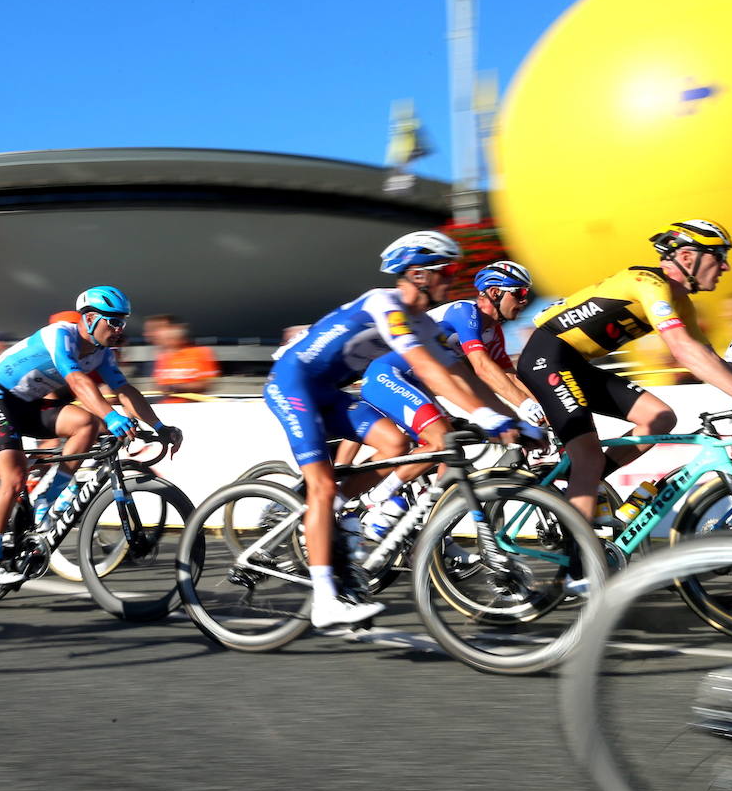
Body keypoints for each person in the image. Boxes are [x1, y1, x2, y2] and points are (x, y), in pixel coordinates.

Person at [263, 231, 519, 628]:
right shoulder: (386, 304)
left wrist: (510, 418)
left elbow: (454, 372)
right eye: (446, 270)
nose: (453, 278)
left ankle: (340, 514)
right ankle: (325, 600)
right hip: (291, 385)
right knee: (323, 486)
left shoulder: (419, 320)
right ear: (418, 274)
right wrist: (487, 416)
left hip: (329, 392)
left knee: (395, 443)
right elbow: (428, 369)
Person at [518, 219, 732, 523]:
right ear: (689, 257)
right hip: (547, 358)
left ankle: (587, 482)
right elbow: (683, 350)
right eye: (719, 256)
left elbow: (708, 360)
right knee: (587, 456)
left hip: (573, 364)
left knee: (659, 417)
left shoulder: (682, 304)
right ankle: (579, 563)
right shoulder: (648, 282)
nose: (726, 267)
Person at [0, 286, 183, 584]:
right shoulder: (60, 334)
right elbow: (75, 379)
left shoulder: (102, 354)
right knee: (14, 477)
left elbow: (124, 390)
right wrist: (111, 417)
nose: (119, 329)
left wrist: (160, 427)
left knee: (86, 423)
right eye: (113, 321)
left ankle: (49, 495)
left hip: (28, 405)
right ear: (89, 319)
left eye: (122, 322)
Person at [355, 260, 542, 537]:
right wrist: (524, 407)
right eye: (520, 294)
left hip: (421, 384)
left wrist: (542, 409)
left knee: (451, 453)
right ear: (494, 292)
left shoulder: (493, 331)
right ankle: (373, 503)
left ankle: (435, 534)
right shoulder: (465, 312)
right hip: (391, 376)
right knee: (442, 441)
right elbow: (481, 368)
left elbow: (509, 378)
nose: (525, 301)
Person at [152, 317, 220, 397]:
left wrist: (175, 388)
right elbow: (159, 385)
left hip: (191, 404)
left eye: (169, 338)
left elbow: (206, 384)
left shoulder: (201, 352)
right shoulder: (162, 356)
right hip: (167, 404)